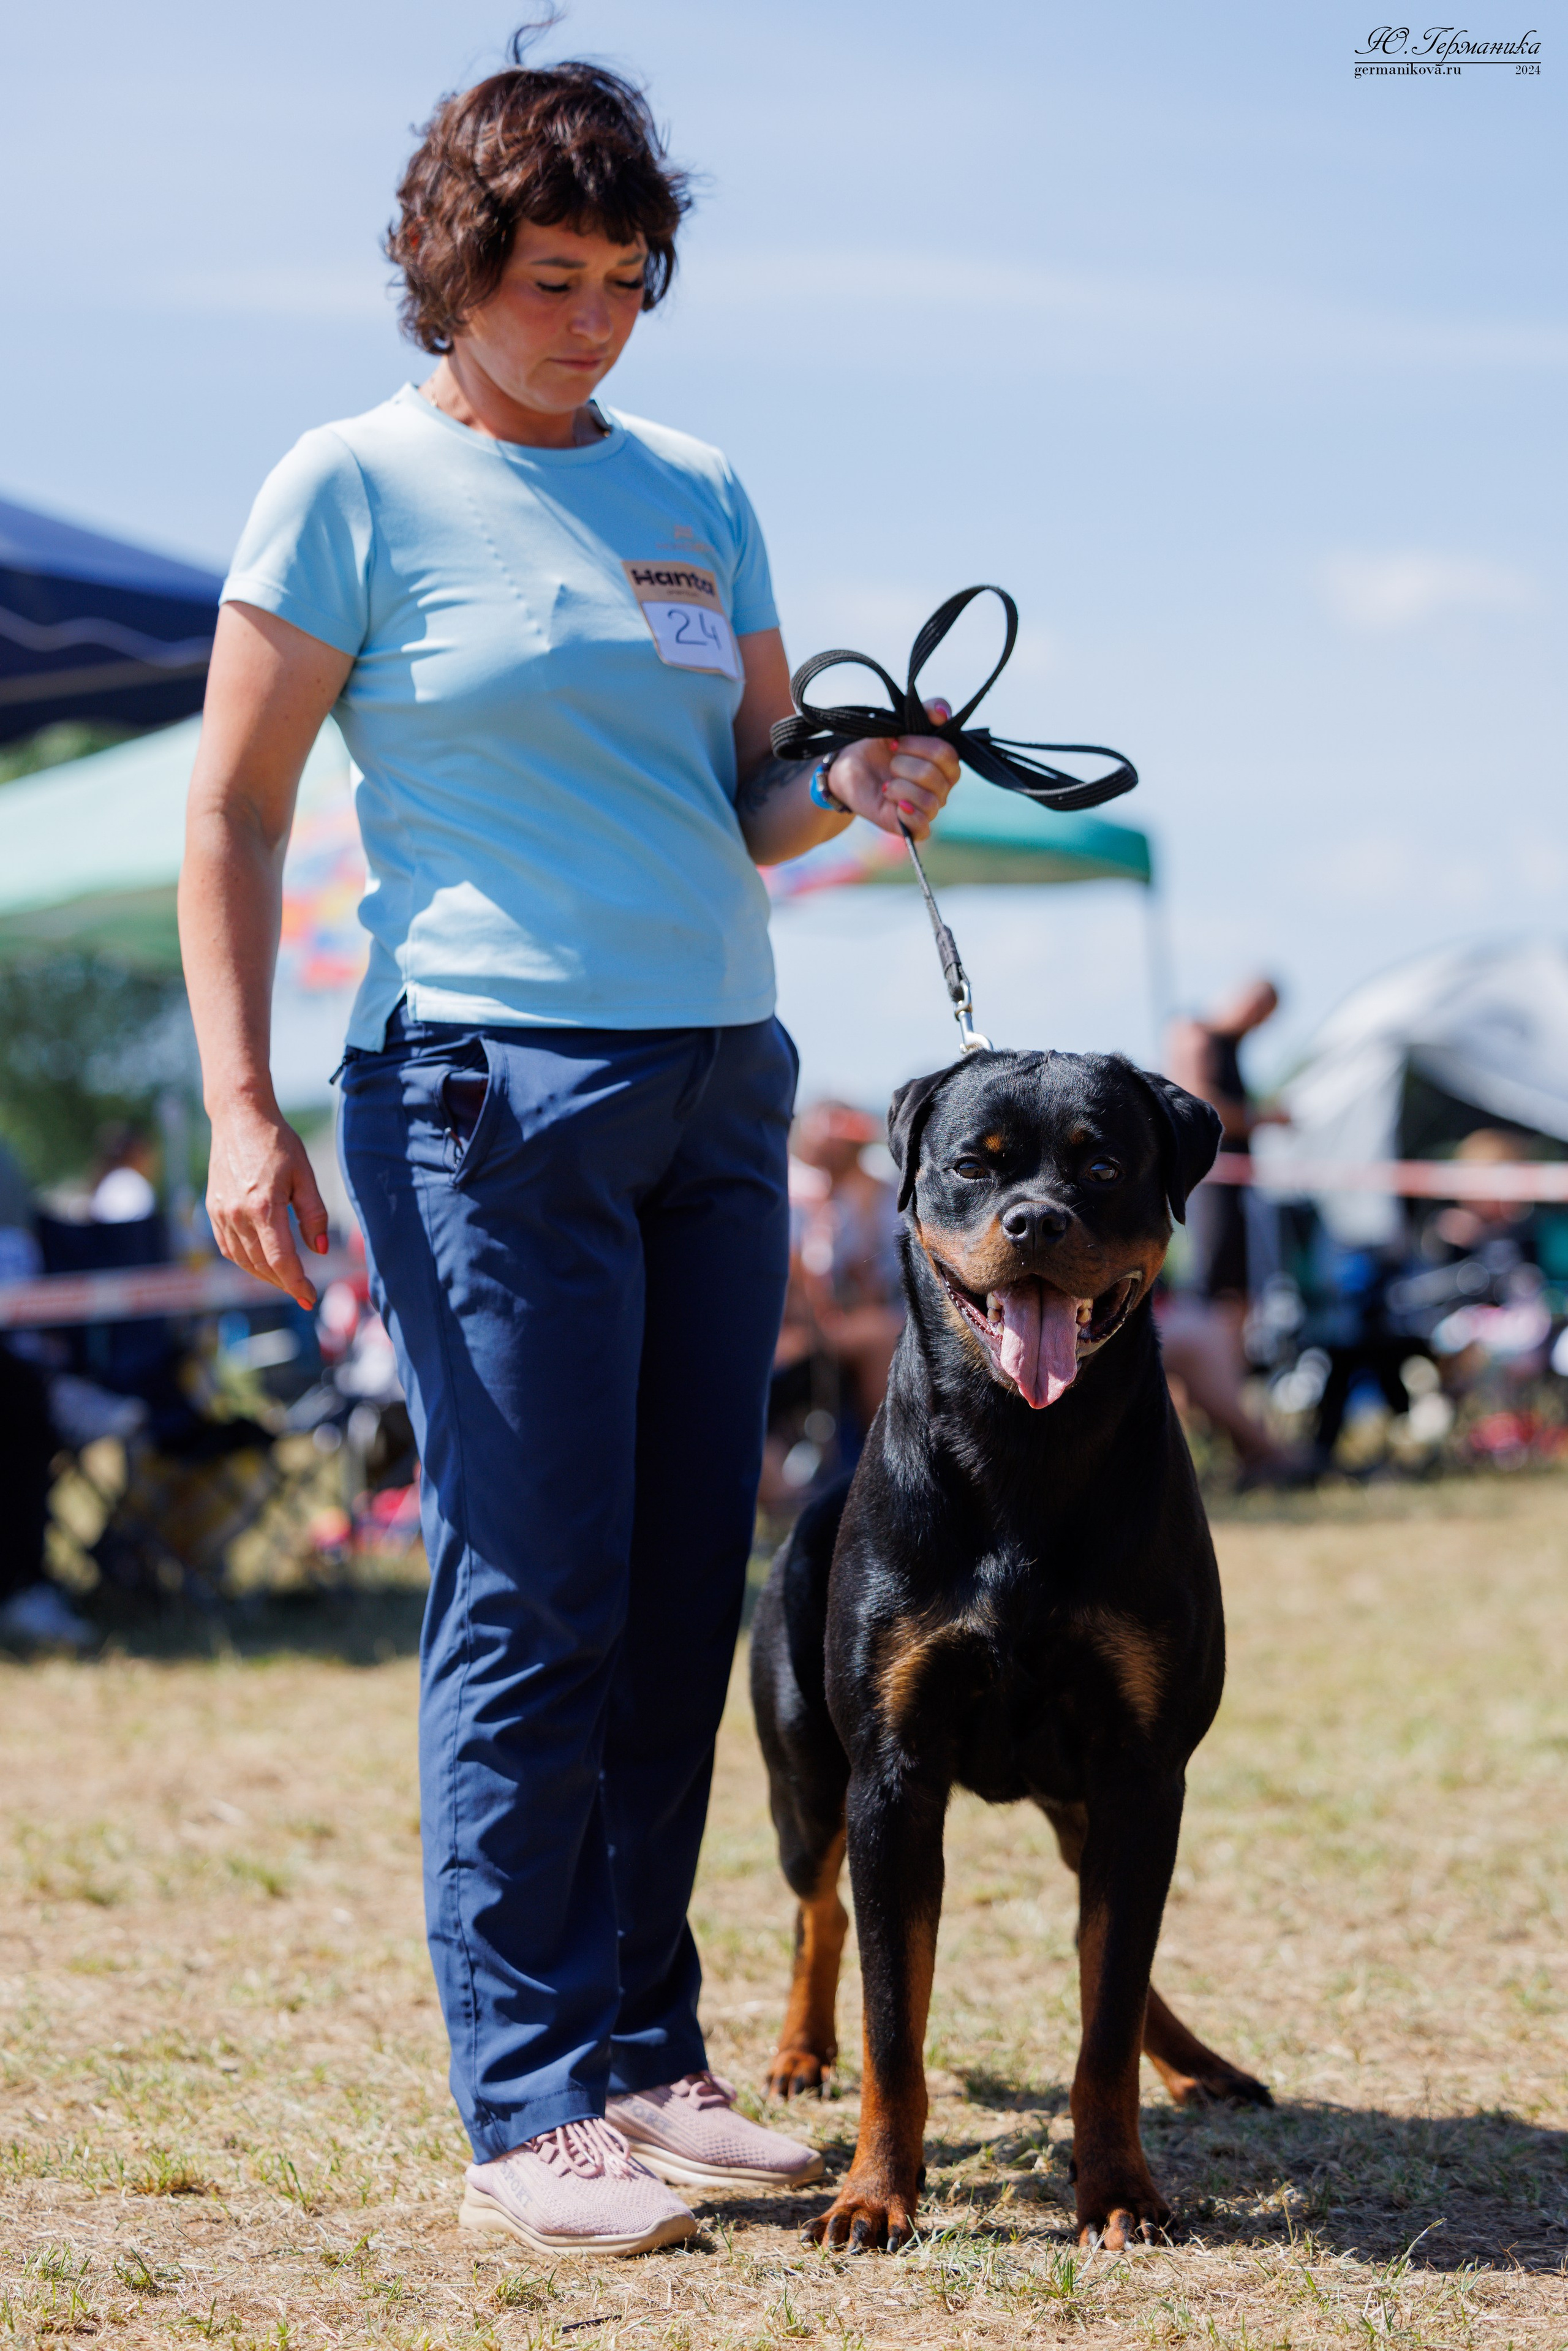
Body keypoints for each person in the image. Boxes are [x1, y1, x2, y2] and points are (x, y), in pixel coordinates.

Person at [178, 38, 960, 2259]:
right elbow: (229, 816)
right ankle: (523, 2098)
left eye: (626, 276)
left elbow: (756, 792)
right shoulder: (341, 482)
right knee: (529, 1583)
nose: (591, 315)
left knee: (670, 1586)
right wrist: (241, 1099)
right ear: (450, 269)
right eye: (548, 273)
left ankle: (638, 2049)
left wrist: (864, 791)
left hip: (722, 1073)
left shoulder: (696, 484)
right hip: (481, 1083)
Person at [1162, 978, 1305, 1483]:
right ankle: (1228, 1432)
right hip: (1215, 1192)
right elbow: (1205, 1107)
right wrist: (1267, 1117)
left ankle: (1233, 1426)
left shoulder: (1223, 1042)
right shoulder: (1196, 1036)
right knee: (1219, 1306)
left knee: (1236, 1304)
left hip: (1233, 1192)